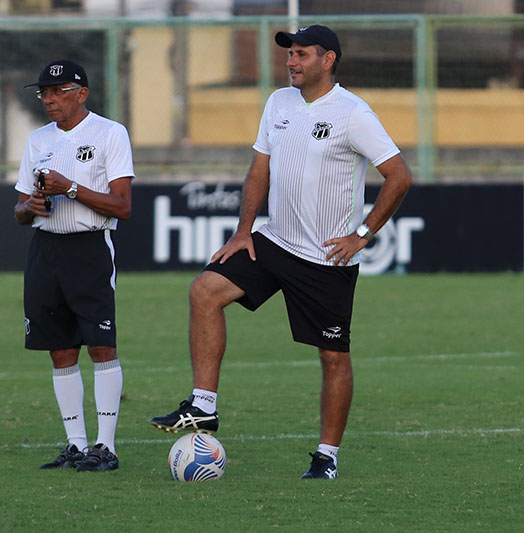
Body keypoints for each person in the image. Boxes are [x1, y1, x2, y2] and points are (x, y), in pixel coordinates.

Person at [150, 25, 412, 479]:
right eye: (290, 54)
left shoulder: (353, 113)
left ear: (328, 60)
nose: (291, 61)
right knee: (204, 292)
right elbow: (259, 169)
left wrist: (362, 234)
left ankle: (326, 455)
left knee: (333, 357)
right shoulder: (278, 103)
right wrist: (243, 231)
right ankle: (203, 406)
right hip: (274, 241)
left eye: (302, 54)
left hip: (326, 258)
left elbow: (400, 176)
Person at [14, 59, 134, 472]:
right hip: (45, 250)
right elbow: (18, 209)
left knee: (101, 346)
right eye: (43, 93)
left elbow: (123, 205)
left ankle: (106, 447)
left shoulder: (109, 133)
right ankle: (76, 445)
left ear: (81, 93)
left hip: (89, 249)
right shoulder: (37, 139)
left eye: (58, 91)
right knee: (59, 349)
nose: (48, 99)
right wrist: (29, 205)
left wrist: (71, 188)